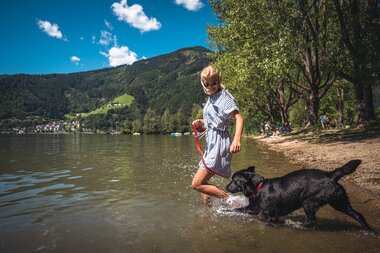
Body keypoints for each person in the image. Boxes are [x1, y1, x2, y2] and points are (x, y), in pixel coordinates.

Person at [191, 65, 244, 206]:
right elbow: (215, 121)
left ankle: (231, 200)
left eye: (213, 83)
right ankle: (211, 213)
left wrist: (236, 140)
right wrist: (201, 123)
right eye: (206, 84)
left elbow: (239, 118)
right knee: (203, 187)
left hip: (219, 144)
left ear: (219, 80)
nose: (210, 87)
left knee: (196, 184)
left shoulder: (224, 97)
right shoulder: (212, 97)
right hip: (211, 144)